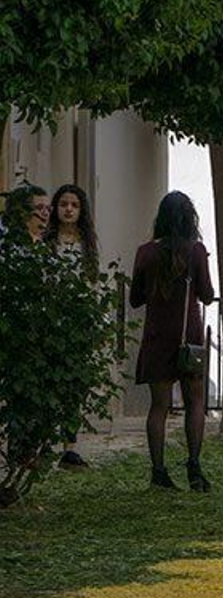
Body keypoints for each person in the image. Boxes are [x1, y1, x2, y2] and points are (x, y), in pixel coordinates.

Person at [129, 192, 215, 492]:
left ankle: (159, 471)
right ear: (190, 218)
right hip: (186, 338)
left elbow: (136, 299)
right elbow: (207, 295)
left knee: (159, 407)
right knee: (195, 402)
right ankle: (194, 466)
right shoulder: (196, 251)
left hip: (156, 337)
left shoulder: (145, 252)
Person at [46, 184, 102, 470]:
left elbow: (91, 283)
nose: (68, 209)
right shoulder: (47, 240)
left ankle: (69, 447)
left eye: (74, 205)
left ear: (81, 211)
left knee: (73, 387)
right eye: (64, 204)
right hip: (49, 317)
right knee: (48, 383)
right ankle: (43, 443)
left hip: (77, 319)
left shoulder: (86, 243)